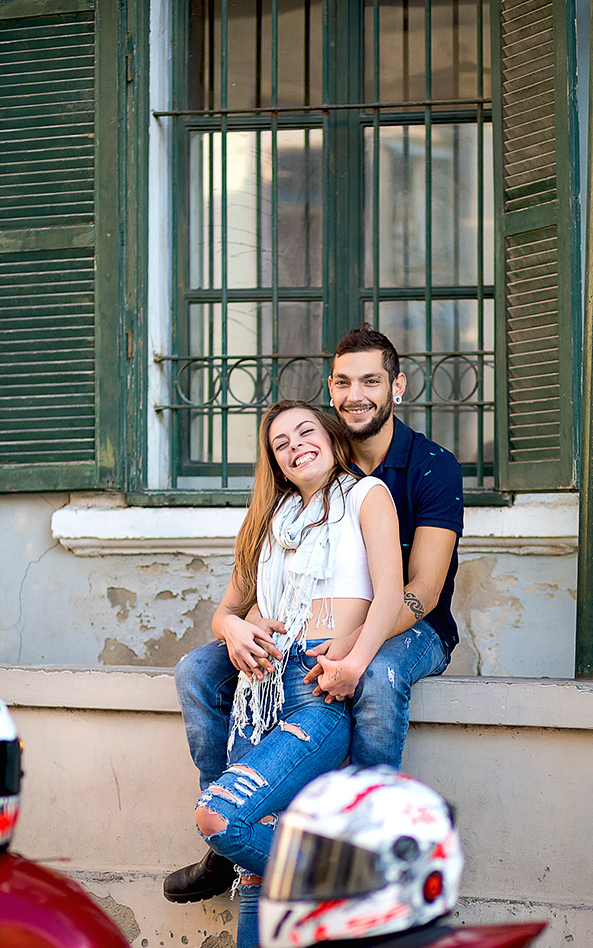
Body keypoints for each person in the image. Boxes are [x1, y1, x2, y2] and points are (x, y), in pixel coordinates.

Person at [168, 325, 463, 909]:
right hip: (311, 633)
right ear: (332, 390)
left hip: (415, 627)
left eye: (372, 381)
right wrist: (242, 625)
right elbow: (282, 575)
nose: (357, 394)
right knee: (199, 671)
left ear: (397, 386)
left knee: (377, 676)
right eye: (345, 382)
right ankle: (229, 841)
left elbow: (421, 591)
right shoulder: (316, 457)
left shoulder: (430, 467)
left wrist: (350, 643)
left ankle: (365, 836)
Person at [179, 399, 403, 948]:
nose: (295, 446)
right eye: (281, 444)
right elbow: (226, 610)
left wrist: (353, 662)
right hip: (259, 692)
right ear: (276, 463)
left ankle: (350, 876)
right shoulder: (271, 519)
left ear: (329, 437)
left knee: (221, 820)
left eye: (305, 432)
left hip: (315, 692)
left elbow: (392, 595)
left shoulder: (367, 496)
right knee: (256, 874)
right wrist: (233, 630)